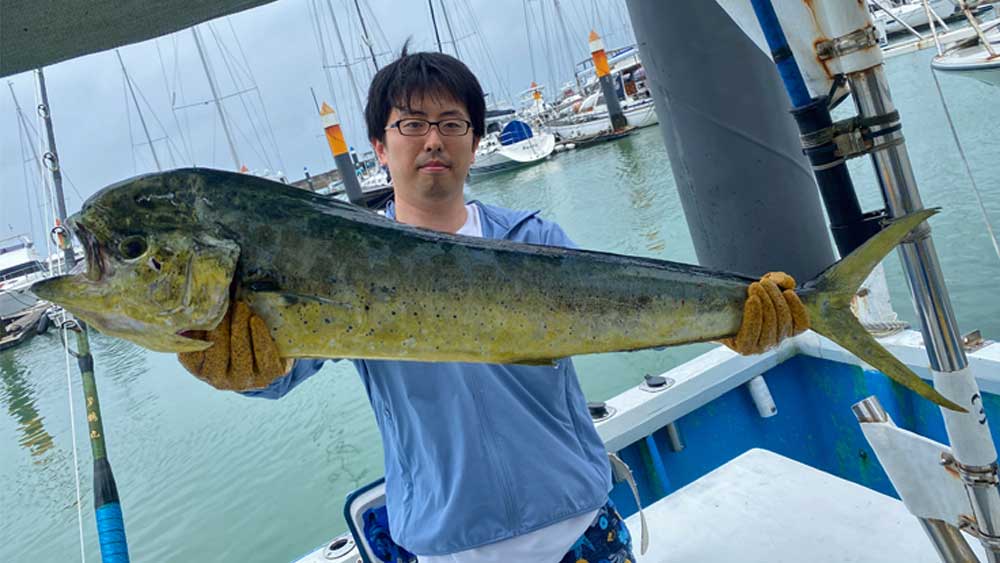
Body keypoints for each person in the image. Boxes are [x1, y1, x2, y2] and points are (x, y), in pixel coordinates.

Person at [177, 48, 808, 562]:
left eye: (452, 124)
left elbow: (628, 314)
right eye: (411, 125)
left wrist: (733, 319)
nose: (433, 140)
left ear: (475, 141)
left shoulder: (535, 240)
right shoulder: (340, 261)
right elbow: (277, 376)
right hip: (448, 547)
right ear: (378, 145)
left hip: (579, 528)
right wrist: (232, 365)